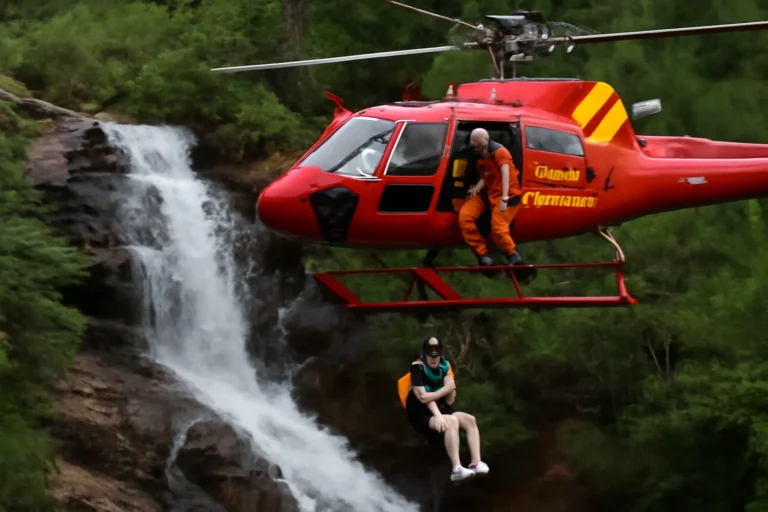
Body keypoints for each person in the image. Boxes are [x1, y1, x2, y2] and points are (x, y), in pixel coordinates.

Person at [401, 336, 490, 481]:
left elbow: (450, 390)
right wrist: (439, 412)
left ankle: (476, 462)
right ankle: (457, 469)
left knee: (469, 420)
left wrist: (446, 394)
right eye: (430, 355)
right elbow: (423, 397)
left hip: (440, 408)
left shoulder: (445, 365)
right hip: (420, 413)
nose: (433, 358)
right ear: (425, 354)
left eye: (436, 354)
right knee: (451, 422)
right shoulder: (417, 367)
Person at [459, 128, 523, 266]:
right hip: (487, 194)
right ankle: (482, 254)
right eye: (473, 144)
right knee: (465, 218)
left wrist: (505, 197)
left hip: (506, 196)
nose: (475, 146)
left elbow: (505, 173)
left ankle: (512, 254)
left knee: (498, 229)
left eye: (477, 143)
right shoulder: (480, 155)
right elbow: (486, 176)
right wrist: (477, 188)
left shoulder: (500, 152)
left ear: (485, 140)